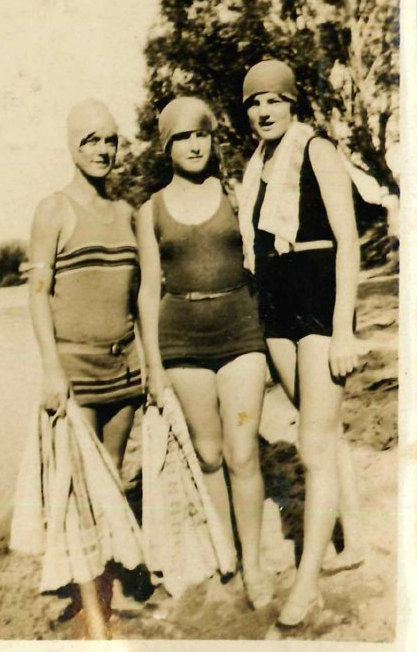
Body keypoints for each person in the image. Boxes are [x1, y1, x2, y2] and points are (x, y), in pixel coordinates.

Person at [136, 96, 273, 608]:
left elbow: (265, 264)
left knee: (242, 453)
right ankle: (227, 556)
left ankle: (255, 565)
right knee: (210, 455)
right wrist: (153, 364)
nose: (194, 145)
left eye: (202, 134)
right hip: (182, 343)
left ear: (212, 140)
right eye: (182, 137)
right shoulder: (148, 211)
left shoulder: (235, 193)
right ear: (166, 145)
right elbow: (149, 290)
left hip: (240, 332)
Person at [238, 60, 361, 630]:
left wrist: (343, 330)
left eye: (272, 100)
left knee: (312, 446)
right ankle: (352, 537)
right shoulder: (256, 166)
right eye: (252, 104)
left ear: (292, 103)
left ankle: (307, 584)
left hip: (317, 297)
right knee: (321, 430)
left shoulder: (316, 151)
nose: (263, 111)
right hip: (276, 305)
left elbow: (349, 244)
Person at [27, 98, 144, 638]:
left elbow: (140, 294)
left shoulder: (125, 214)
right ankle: (95, 618)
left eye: (110, 139)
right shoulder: (54, 209)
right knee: (80, 499)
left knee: (114, 487)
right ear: (71, 146)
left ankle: (108, 596)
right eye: (90, 139)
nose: (102, 149)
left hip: (123, 373)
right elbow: (38, 291)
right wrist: (52, 371)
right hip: (75, 375)